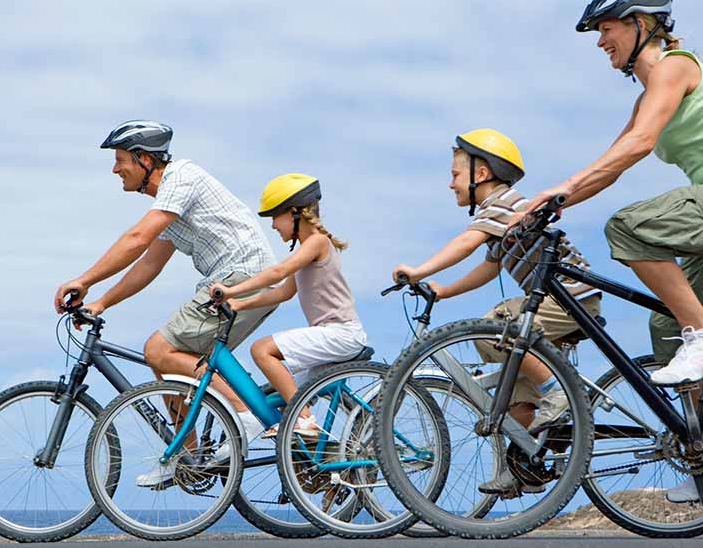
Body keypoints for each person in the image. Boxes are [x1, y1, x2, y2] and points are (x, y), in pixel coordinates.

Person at [522, 0, 703, 502]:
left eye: (607, 28)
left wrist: (565, 190)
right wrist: (552, 202)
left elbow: (643, 143)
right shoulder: (649, 95)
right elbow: (616, 160)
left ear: (642, 23)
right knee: (666, 321)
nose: (601, 41)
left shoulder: (676, 66)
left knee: (627, 226)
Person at [53, 120, 277, 486]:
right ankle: (188, 458)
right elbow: (150, 264)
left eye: (120, 159)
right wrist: (102, 302)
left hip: (240, 279)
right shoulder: (170, 204)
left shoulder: (181, 179)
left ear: (144, 160)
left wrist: (85, 280)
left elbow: (138, 237)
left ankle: (244, 414)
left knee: (160, 349)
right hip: (240, 282)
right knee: (170, 365)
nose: (114, 169)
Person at [393, 129, 601, 496]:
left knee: (497, 326)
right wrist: (444, 291)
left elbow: (466, 242)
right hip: (557, 302)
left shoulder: (505, 205)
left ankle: (558, 393)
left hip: (570, 300)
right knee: (518, 395)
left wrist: (421, 270)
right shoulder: (500, 217)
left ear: (482, 174)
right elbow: (489, 267)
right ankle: (520, 467)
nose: (450, 184)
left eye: (455, 175)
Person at [210, 173, 367, 437]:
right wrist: (238, 304)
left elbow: (277, 273)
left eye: (275, 216)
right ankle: (311, 455)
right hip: (332, 335)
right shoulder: (308, 249)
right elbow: (282, 292)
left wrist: (230, 290)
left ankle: (304, 419)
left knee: (262, 350)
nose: (272, 225)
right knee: (282, 397)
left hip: (341, 334)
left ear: (295, 213)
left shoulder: (316, 242)